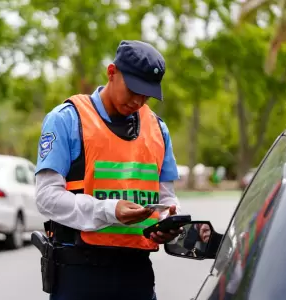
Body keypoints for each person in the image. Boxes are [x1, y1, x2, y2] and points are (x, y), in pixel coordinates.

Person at [35, 40, 182, 300]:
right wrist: (109, 211)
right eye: (133, 89)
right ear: (112, 72)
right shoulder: (66, 120)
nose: (138, 101)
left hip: (137, 274)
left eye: (147, 95)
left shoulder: (159, 130)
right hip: (79, 274)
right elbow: (46, 198)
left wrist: (166, 223)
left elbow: (166, 200)